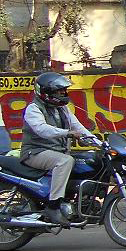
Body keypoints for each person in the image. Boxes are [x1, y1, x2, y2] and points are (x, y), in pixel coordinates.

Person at [21, 72, 99, 227]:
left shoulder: (62, 109)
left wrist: (99, 143)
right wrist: (67, 133)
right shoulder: (34, 109)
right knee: (65, 161)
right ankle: (54, 206)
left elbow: (79, 128)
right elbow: (42, 129)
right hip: (34, 153)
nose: (63, 94)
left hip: (54, 152)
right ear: (46, 93)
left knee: (87, 159)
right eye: (59, 91)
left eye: (64, 90)